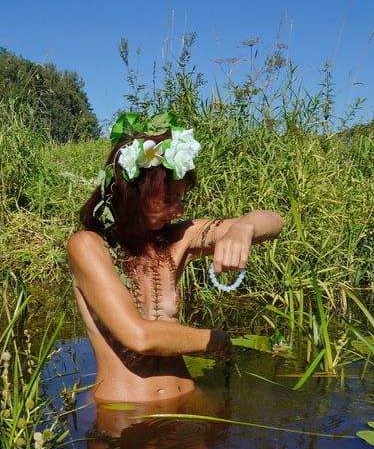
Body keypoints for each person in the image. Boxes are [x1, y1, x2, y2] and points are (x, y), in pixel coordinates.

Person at [67, 114, 284, 403]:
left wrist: (244, 227)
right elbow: (139, 337)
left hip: (187, 398)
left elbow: (275, 222)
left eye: (181, 198)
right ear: (134, 195)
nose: (179, 210)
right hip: (125, 413)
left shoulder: (178, 239)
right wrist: (214, 340)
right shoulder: (88, 246)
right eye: (169, 200)